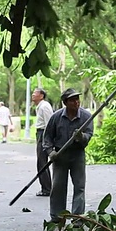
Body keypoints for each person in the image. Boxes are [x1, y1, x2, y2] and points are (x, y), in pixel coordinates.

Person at [43, 88, 93, 223]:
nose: (76, 102)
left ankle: (77, 218)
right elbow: (47, 137)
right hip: (60, 156)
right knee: (58, 186)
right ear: (65, 102)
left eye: (77, 99)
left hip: (77, 155)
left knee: (79, 186)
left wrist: (81, 137)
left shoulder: (86, 116)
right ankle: (57, 217)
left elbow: (88, 136)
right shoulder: (56, 117)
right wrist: (50, 152)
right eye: (72, 100)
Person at [32, 88, 54, 196]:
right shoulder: (40, 106)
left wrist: (47, 139)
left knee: (42, 162)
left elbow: (49, 123)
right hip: (40, 133)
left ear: (41, 95)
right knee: (41, 161)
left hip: (43, 134)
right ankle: (46, 187)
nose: (33, 94)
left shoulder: (44, 106)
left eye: (35, 93)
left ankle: (47, 188)